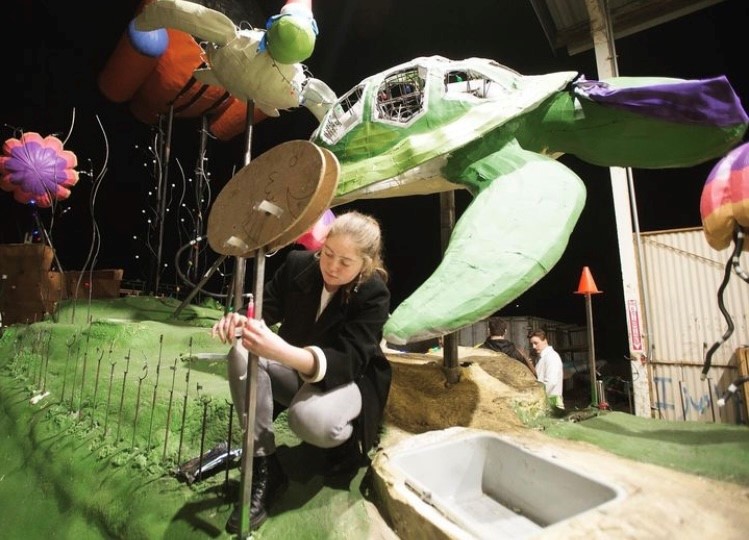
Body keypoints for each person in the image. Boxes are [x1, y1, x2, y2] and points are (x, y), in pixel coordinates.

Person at [211, 211, 391, 533]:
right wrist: (238, 319)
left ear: (365, 264)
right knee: (241, 352)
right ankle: (266, 465)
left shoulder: (374, 293)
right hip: (298, 369)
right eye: (328, 254)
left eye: (345, 262)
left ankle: (344, 448)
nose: (332, 267)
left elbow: (349, 361)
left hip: (348, 381)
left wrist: (281, 350)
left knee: (309, 421)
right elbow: (263, 308)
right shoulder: (299, 264)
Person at [529, 329, 564, 412]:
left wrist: (536, 396)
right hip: (546, 401)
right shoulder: (543, 357)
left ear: (545, 341)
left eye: (536, 343)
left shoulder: (551, 357)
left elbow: (551, 382)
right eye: (532, 344)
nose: (533, 347)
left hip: (552, 402)